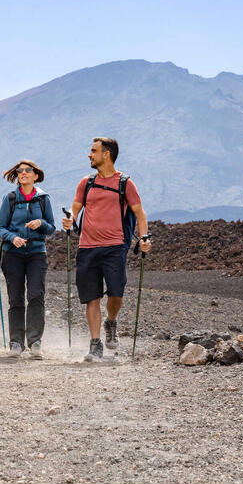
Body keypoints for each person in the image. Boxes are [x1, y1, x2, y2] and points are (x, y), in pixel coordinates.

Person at [61, 137, 151, 362]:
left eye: (93, 151)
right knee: (91, 297)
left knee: (116, 293)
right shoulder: (86, 183)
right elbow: (75, 209)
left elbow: (140, 214)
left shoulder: (125, 183)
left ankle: (111, 321)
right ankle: (95, 344)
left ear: (106, 154)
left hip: (114, 247)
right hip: (88, 247)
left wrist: (144, 238)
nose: (89, 155)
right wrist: (69, 220)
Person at [0, 159, 55, 360]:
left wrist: (41, 223)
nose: (23, 173)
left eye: (28, 170)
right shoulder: (10, 199)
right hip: (13, 254)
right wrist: (13, 238)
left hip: (37, 252)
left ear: (36, 175)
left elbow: (52, 228)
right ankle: (16, 342)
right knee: (16, 297)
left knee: (36, 294)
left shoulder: (43, 199)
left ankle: (35, 341)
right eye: (20, 171)